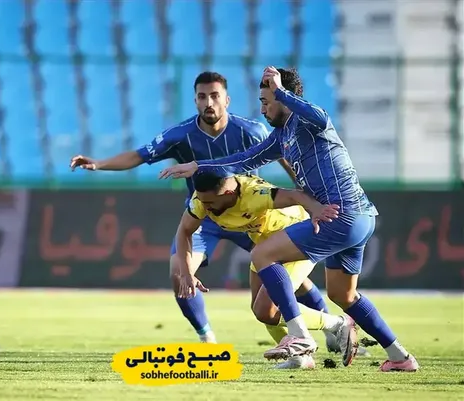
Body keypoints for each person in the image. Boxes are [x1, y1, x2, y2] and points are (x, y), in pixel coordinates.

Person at [159, 67, 418, 372]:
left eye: (266, 101)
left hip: (342, 216)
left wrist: (282, 92)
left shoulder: (312, 122)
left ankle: (299, 336)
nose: (262, 109)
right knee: (342, 294)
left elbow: (316, 114)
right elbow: (244, 159)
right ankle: (400, 357)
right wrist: (198, 165)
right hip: (355, 218)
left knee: (262, 254)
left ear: (284, 98)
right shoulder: (281, 137)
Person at [175, 171, 355, 369]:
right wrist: (186, 272)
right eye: (202, 201)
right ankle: (300, 359)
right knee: (260, 310)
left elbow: (294, 195)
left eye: (210, 202)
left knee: (266, 309)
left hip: (296, 241)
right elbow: (184, 230)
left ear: (228, 193)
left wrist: (317, 209)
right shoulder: (201, 200)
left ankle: (338, 324)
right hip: (265, 247)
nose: (205, 207)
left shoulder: (255, 194)